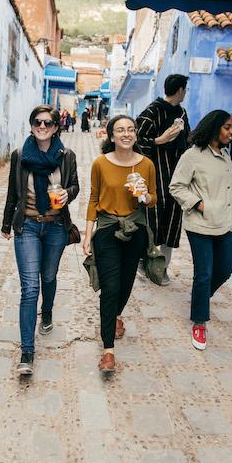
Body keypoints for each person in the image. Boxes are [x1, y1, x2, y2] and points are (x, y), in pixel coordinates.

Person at [1, 106, 80, 376]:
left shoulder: (66, 156)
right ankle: (27, 352)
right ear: (31, 125)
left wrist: (67, 194)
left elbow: (75, 186)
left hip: (56, 226)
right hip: (29, 226)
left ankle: (46, 312)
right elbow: (13, 191)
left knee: (48, 276)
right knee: (30, 287)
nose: (42, 126)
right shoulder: (20, 155)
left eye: (48, 123)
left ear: (57, 127)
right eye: (37, 122)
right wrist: (5, 224)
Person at [83, 115, 156, 374]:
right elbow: (93, 197)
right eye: (120, 130)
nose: (126, 134)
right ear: (111, 136)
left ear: (135, 135)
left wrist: (143, 195)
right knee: (111, 286)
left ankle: (115, 317)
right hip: (106, 229)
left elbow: (153, 199)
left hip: (135, 228)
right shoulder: (100, 163)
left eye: (130, 130)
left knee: (126, 282)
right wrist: (87, 233)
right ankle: (108, 351)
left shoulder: (146, 164)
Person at [168, 110, 232, 351]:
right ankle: (199, 321)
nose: (231, 132)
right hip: (201, 224)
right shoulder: (193, 156)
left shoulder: (225, 154)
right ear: (214, 128)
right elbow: (176, 186)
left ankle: (199, 299)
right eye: (227, 127)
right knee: (204, 273)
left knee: (225, 269)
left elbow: (225, 181)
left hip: (227, 222)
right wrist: (200, 204)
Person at [135, 74, 191, 284]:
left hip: (176, 177)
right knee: (152, 219)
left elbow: (188, 138)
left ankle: (162, 268)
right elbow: (136, 141)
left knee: (172, 222)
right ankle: (145, 259)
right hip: (155, 176)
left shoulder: (182, 113)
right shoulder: (151, 112)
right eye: (184, 89)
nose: (185, 93)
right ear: (179, 90)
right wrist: (160, 140)